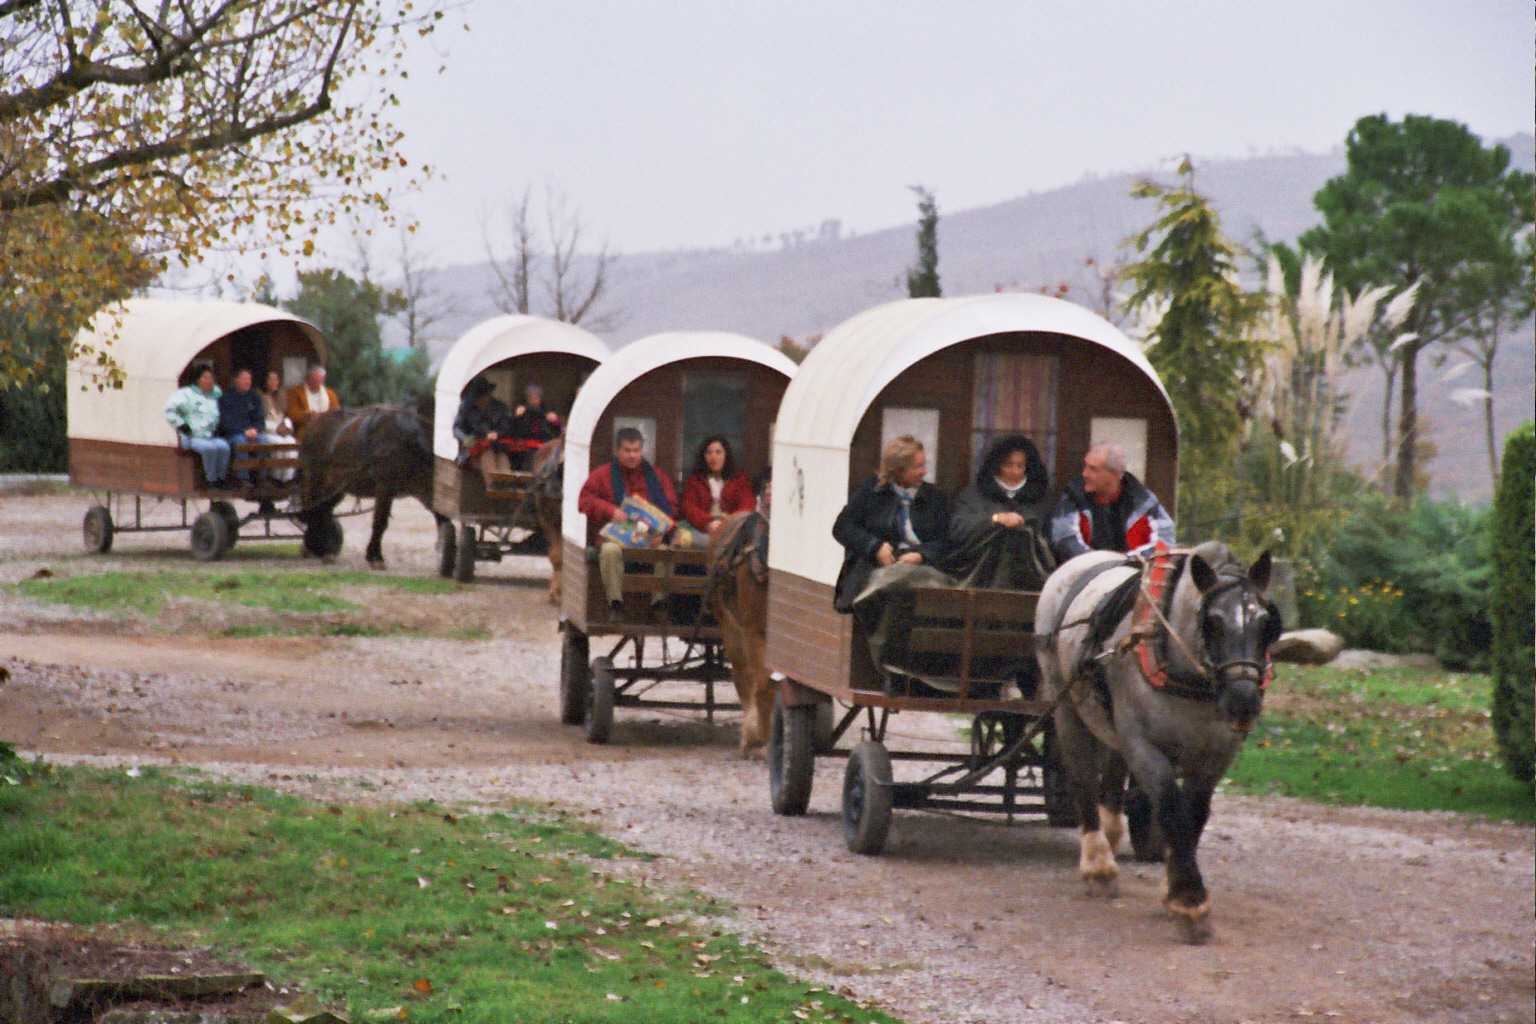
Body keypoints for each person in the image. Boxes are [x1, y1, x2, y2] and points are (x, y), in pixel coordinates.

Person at [831, 435, 949, 615]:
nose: (924, 472)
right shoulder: (872, 492)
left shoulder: (934, 497)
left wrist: (921, 555)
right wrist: (875, 547)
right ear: (899, 469)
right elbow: (843, 527)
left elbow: (946, 541)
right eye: (918, 467)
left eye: (924, 465)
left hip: (920, 568)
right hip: (878, 567)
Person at [577, 427, 681, 613]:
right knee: (609, 551)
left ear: (642, 451)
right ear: (617, 451)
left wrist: (661, 531)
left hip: (650, 540)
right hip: (615, 540)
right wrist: (610, 511)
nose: (632, 455)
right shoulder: (602, 475)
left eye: (636, 451)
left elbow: (671, 508)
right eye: (627, 450)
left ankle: (659, 604)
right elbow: (584, 500)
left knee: (666, 552)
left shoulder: (657, 476)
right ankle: (615, 603)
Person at [946, 434, 1057, 590]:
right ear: (996, 465)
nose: (1014, 471)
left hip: (1031, 579)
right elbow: (958, 530)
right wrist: (994, 520)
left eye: (1020, 466)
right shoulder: (973, 495)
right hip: (979, 576)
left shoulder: (1043, 499)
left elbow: (1053, 539)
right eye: (1008, 465)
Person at [1049, 441, 1175, 562]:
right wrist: (1100, 564)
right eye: (1085, 466)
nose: (1085, 474)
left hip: (1132, 575)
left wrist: (1127, 561)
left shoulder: (1143, 501)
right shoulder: (1073, 496)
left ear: (1115, 474)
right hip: (1083, 574)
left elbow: (1165, 541)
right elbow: (1064, 540)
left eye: (1093, 469)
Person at [163, 362, 231, 489]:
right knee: (209, 449)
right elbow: (169, 411)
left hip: (209, 436)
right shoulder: (185, 394)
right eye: (205, 377)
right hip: (191, 436)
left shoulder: (215, 394)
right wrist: (181, 424)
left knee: (224, 447)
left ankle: (221, 479)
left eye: (211, 377)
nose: (209, 380)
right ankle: (210, 480)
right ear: (197, 380)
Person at [680, 435, 755, 545]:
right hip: (702, 529)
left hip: (731, 530)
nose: (713, 457)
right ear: (703, 457)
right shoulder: (695, 480)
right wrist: (708, 523)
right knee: (691, 538)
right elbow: (689, 507)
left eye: (718, 452)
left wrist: (728, 523)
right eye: (709, 453)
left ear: (726, 455)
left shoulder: (739, 480)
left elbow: (747, 505)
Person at [452, 376, 517, 483]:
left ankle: (507, 487)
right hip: (474, 449)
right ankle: (493, 486)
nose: (483, 399)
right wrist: (465, 439)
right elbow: (456, 428)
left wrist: (497, 433)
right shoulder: (466, 408)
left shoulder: (500, 408)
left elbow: (507, 427)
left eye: (485, 395)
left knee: (502, 458)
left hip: (497, 446)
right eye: (479, 396)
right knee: (487, 456)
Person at [217, 368, 269, 488]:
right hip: (233, 434)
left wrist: (255, 429)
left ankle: (262, 478)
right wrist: (243, 431)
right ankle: (243, 479)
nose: (248, 382)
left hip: (253, 433)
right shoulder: (225, 398)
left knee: (265, 441)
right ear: (236, 380)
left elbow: (260, 419)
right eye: (244, 378)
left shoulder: (254, 396)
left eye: (249, 379)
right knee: (241, 442)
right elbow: (225, 422)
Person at [507, 382, 562, 468]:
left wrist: (555, 422)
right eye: (531, 397)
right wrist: (517, 417)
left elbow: (557, 432)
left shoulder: (546, 411)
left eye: (536, 397)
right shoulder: (521, 411)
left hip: (544, 445)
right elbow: (512, 430)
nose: (534, 400)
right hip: (524, 448)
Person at [258, 369, 297, 485]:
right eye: (271, 379)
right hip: (268, 431)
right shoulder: (259, 397)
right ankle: (276, 479)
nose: (274, 382)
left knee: (292, 444)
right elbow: (259, 419)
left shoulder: (281, 396)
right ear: (265, 382)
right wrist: (275, 428)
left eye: (276, 379)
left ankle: (288, 479)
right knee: (279, 446)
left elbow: (285, 415)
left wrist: (286, 426)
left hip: (282, 430)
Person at [284, 364, 340, 438]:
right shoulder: (295, 392)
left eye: (320, 381)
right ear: (308, 379)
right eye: (315, 380)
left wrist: (325, 416)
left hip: (326, 429)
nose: (317, 384)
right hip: (304, 430)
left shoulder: (330, 394)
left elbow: (337, 412)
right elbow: (291, 414)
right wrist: (308, 415)